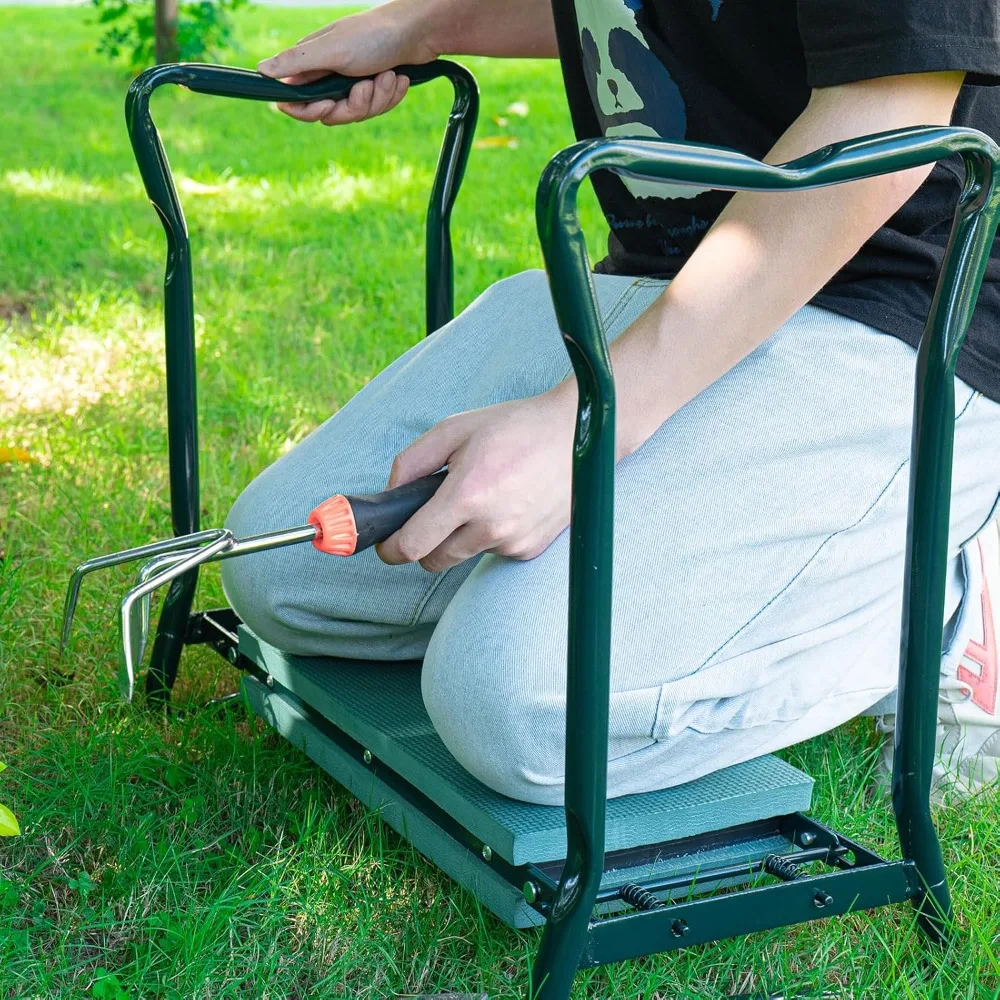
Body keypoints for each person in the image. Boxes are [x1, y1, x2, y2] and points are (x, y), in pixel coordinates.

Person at [222, 0, 1000, 805]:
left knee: (517, 708)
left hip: (897, 317)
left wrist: (585, 423)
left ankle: (935, 593)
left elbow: (886, 112)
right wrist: (420, 28)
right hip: (654, 285)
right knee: (283, 573)